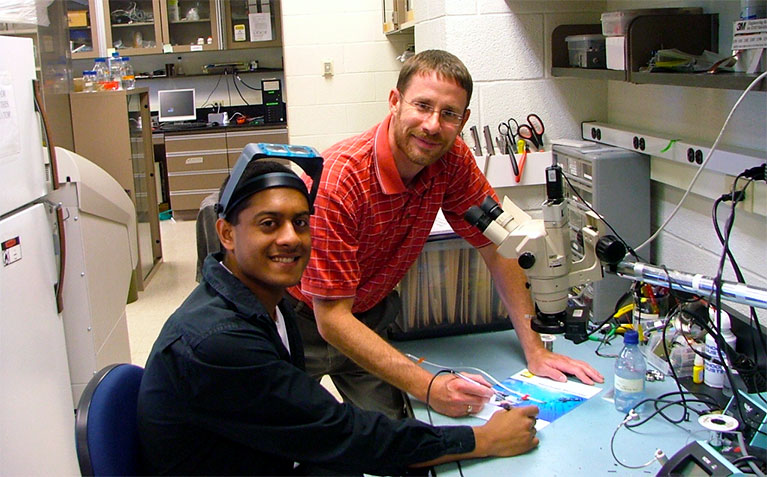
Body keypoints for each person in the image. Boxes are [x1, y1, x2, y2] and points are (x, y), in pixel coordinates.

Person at [137, 158, 540, 476]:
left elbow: (319, 430)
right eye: (268, 224)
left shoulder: (261, 303)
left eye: (300, 222)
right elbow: (341, 433)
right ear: (226, 234)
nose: (290, 238)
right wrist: (483, 440)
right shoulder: (219, 341)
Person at [286, 49, 604, 420]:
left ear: (464, 119)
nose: (433, 125)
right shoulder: (341, 180)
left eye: (449, 114)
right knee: (285, 440)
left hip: (366, 316)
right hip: (300, 322)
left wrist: (536, 350)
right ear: (394, 102)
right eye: (422, 105)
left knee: (397, 442)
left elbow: (499, 247)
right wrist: (428, 386)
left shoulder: (451, 160)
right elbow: (332, 319)